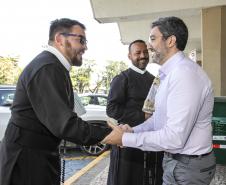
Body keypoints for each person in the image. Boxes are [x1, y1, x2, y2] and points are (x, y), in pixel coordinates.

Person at [103, 16, 216, 185]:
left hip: (187, 167)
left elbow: (174, 137)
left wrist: (125, 139)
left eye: (153, 38)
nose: (148, 46)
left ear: (170, 41)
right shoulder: (168, 74)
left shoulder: (185, 75)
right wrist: (133, 131)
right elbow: (158, 119)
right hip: (176, 162)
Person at [0, 18, 111, 185]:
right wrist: (109, 134)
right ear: (60, 39)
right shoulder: (47, 68)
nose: (85, 47)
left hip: (37, 157)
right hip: (26, 162)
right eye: (81, 40)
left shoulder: (54, 67)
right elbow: (65, 124)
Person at [107, 39, 163, 185]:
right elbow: (112, 109)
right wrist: (142, 116)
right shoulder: (122, 78)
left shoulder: (154, 80)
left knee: (150, 175)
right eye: (137, 53)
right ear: (130, 56)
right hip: (127, 138)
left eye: (145, 52)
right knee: (127, 178)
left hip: (150, 137)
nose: (142, 55)